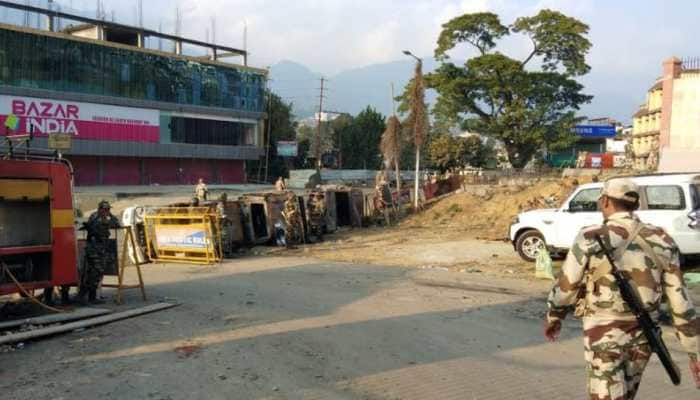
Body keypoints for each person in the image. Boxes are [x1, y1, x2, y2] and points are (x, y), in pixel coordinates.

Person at [544, 178, 700, 399]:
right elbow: (680, 302)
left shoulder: (590, 236)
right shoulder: (662, 238)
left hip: (603, 333)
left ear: (605, 201)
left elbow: (567, 285)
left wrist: (554, 316)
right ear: (635, 205)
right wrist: (695, 353)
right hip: (645, 335)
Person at [79, 200, 121, 304]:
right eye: (106, 209)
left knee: (90, 272)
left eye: (108, 210)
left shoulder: (94, 216)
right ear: (101, 209)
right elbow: (117, 224)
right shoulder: (102, 219)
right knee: (96, 272)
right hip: (97, 249)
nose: (107, 211)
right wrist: (110, 215)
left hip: (92, 248)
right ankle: (90, 297)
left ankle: (83, 296)